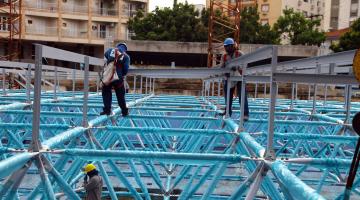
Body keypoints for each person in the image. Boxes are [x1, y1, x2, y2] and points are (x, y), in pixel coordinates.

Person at [220, 38, 249, 120]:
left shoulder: (239, 54)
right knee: (227, 97)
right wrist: (226, 71)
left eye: (229, 46)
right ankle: (228, 111)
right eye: (226, 47)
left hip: (239, 77)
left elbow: (245, 65)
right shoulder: (224, 56)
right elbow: (221, 68)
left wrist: (237, 67)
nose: (228, 48)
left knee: (242, 96)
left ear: (233, 46)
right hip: (229, 78)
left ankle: (245, 114)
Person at [100, 42, 129, 116]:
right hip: (118, 79)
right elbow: (125, 70)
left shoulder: (110, 50)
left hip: (108, 77)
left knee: (106, 92)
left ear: (117, 46)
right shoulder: (126, 56)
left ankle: (107, 110)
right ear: (125, 49)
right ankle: (124, 111)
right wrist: (120, 73)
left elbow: (106, 55)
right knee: (120, 96)